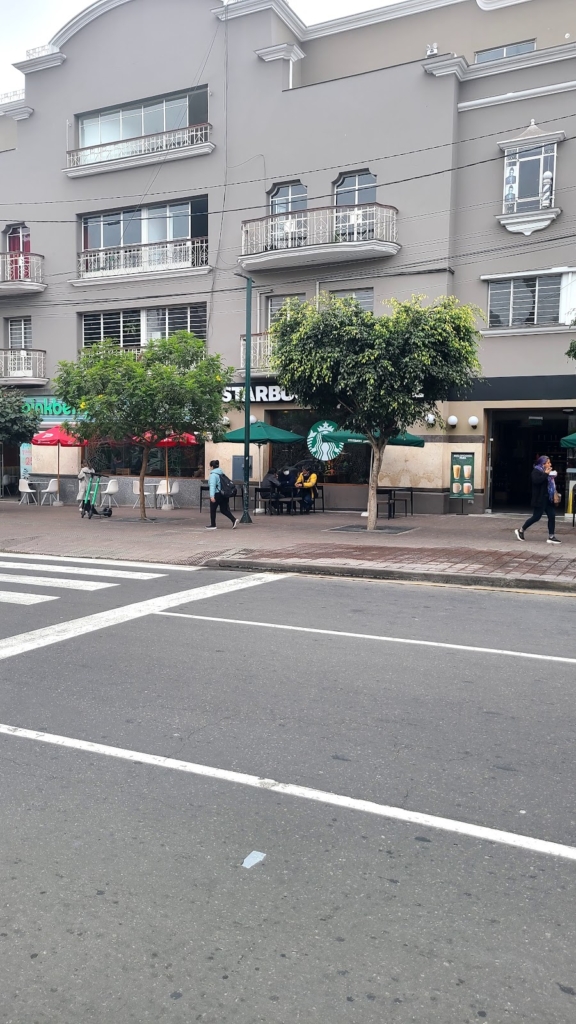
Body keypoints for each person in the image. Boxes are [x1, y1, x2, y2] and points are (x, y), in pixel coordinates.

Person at [515, 455, 561, 545]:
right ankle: (521, 530)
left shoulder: (547, 472)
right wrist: (546, 474)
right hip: (540, 499)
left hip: (548, 498)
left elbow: (550, 484)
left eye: (550, 463)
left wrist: (552, 477)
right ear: (543, 464)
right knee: (536, 517)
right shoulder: (536, 471)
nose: (550, 464)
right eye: (548, 463)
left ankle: (551, 536)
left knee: (552, 515)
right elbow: (536, 481)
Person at [206, 459, 238, 530]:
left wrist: (212, 496)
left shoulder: (213, 475)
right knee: (224, 509)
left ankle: (213, 525)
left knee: (213, 509)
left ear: (212, 467)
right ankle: (233, 519)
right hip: (223, 494)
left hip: (216, 494)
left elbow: (212, 486)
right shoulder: (221, 473)